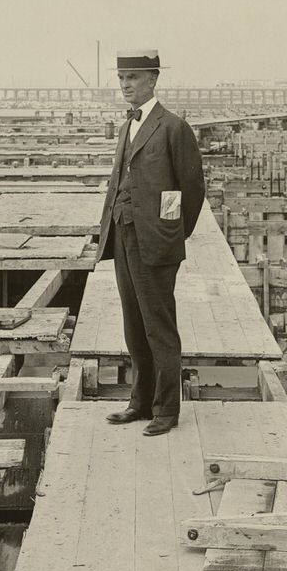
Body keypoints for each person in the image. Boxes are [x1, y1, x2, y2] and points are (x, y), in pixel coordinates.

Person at [96, 49, 205, 436]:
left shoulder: (174, 127)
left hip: (155, 242)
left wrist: (171, 232)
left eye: (134, 78)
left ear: (153, 80)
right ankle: (139, 403)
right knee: (134, 324)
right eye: (122, 78)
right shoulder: (128, 126)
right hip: (123, 235)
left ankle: (166, 409)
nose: (125, 85)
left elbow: (191, 190)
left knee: (160, 326)